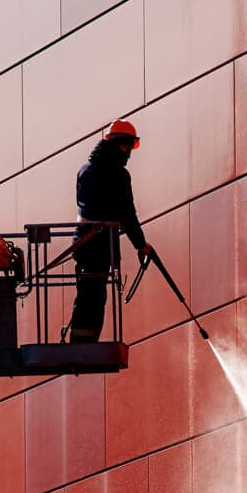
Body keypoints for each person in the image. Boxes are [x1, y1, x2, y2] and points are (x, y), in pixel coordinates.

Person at [67, 119, 152, 343]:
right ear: (122, 144)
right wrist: (141, 245)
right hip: (100, 244)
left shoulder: (85, 169)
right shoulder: (118, 175)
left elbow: (92, 205)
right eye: (128, 147)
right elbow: (127, 213)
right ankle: (84, 346)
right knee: (95, 296)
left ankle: (80, 341)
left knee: (87, 293)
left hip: (82, 243)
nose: (129, 154)